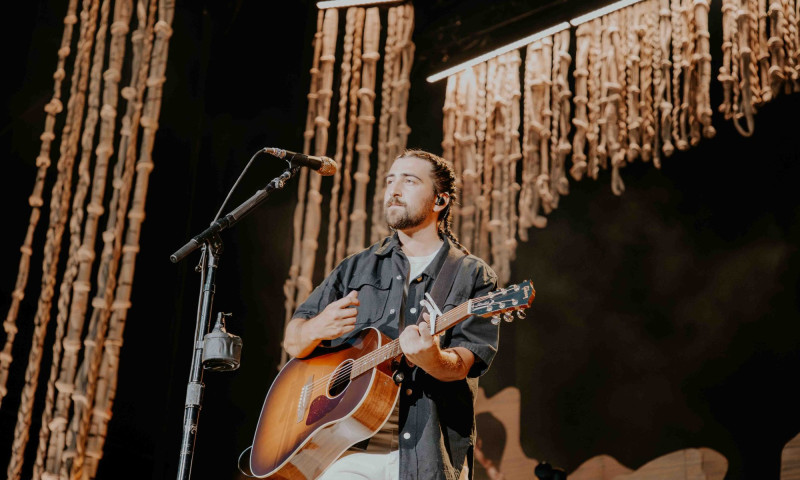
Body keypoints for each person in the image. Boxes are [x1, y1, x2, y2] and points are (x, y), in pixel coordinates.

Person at [283, 149, 499, 480]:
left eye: (409, 181)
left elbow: (461, 365)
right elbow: (293, 340)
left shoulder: (471, 275)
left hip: (426, 459)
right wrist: (316, 327)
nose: (393, 190)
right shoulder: (356, 268)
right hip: (344, 452)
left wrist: (431, 357)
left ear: (439, 201)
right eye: (390, 180)